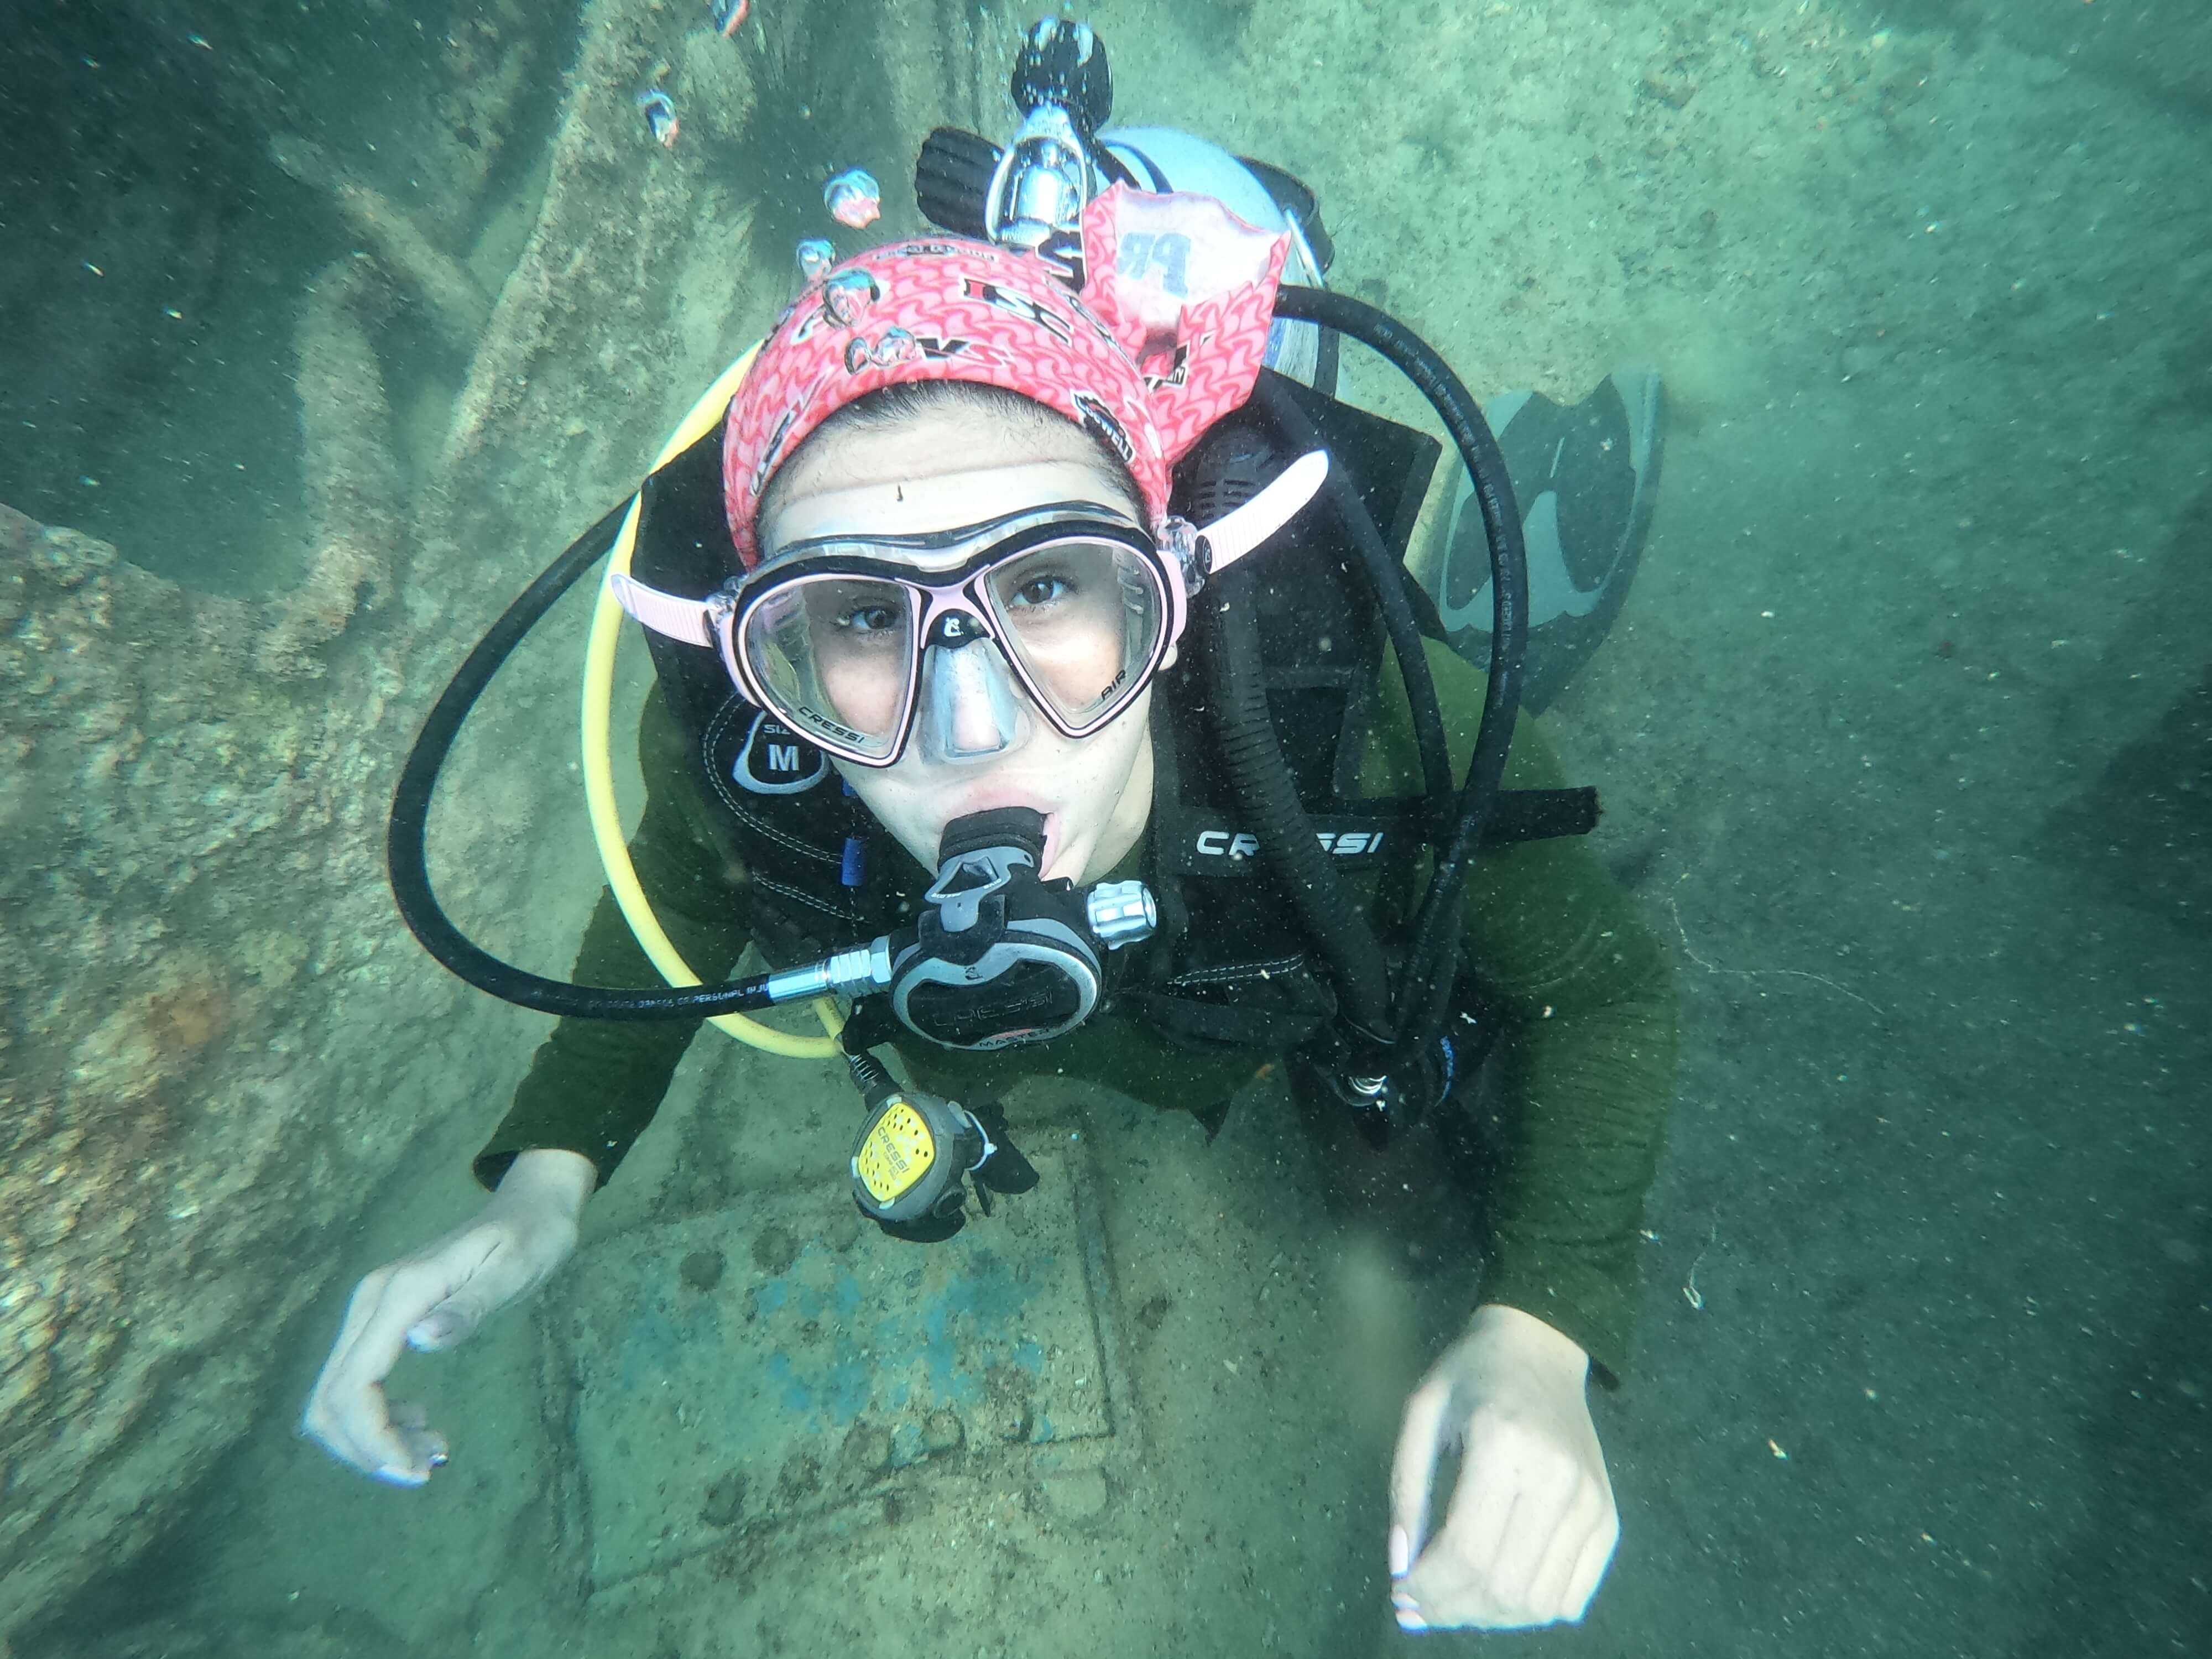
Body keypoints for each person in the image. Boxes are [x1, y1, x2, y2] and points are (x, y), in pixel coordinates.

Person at [302, 61, 1675, 1635]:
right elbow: (670, 910)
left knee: (1406, 1206)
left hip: (1292, 995)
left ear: (1171, 601)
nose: (970, 728)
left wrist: (1542, 1327)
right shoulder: (767, 767)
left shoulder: (1360, 726)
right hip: (1159, 1016)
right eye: (858, 618)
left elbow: (1609, 994)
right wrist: (543, 1190)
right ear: (772, 660)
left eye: (1047, 585)